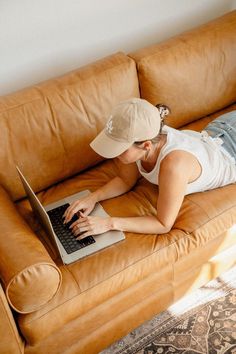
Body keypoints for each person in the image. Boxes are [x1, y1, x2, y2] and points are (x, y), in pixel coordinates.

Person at [63, 98, 236, 239]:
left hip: (231, 149)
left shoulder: (173, 166)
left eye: (119, 148)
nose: (114, 154)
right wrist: (92, 198)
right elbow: (125, 180)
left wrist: (108, 223)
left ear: (146, 145)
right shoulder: (142, 140)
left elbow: (163, 224)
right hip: (218, 128)